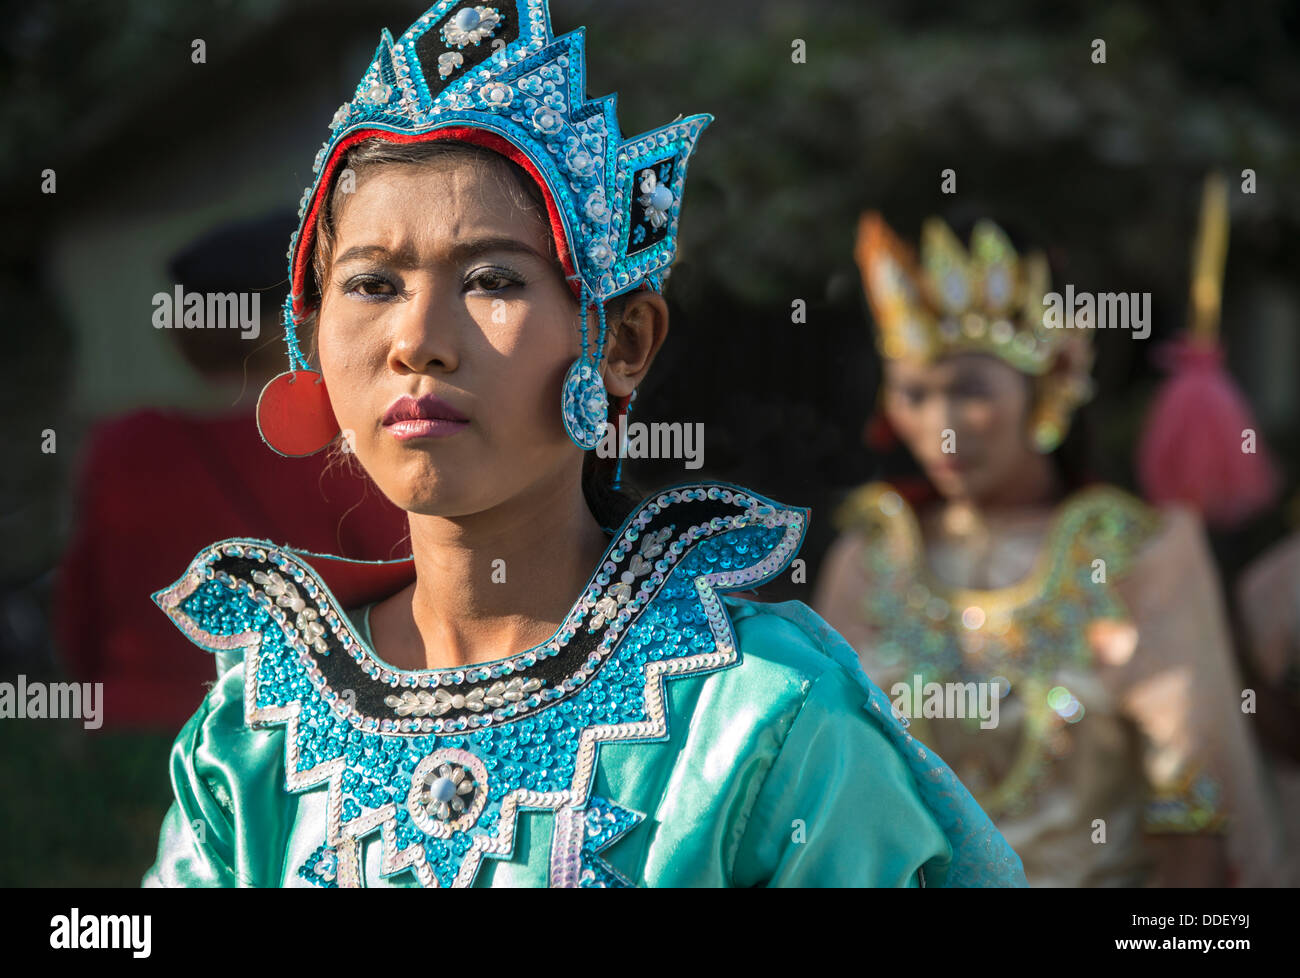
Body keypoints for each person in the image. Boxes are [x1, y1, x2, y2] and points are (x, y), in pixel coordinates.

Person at [141, 1, 1024, 888]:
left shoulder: (760, 716)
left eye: (492, 280)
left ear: (623, 342)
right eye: (371, 283)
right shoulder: (250, 739)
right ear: (313, 338)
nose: (417, 340)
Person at [813, 211, 1285, 886]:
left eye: (970, 391)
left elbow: (1192, 809)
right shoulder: (868, 560)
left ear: (1051, 382)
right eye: (915, 394)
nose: (941, 427)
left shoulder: (1135, 555)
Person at [56, 213, 410, 730]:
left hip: (128, 728)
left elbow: (78, 608)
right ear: (300, 324)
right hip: (277, 737)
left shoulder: (119, 445)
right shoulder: (342, 448)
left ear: (180, 335)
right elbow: (406, 594)